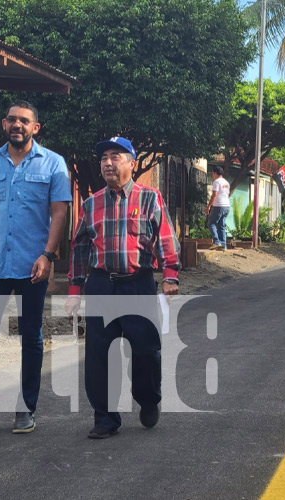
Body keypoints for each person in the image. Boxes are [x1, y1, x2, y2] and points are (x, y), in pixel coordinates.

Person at [0, 101, 72, 435]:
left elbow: (59, 212)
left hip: (32, 266)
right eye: (12, 120)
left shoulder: (53, 164)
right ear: (4, 124)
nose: (17, 124)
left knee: (31, 338)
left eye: (25, 120)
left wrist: (48, 255)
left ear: (36, 127)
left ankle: (26, 410)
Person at [65, 137, 181, 439]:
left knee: (145, 350)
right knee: (97, 354)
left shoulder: (150, 198)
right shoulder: (91, 204)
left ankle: (148, 399)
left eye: (115, 156)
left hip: (137, 284)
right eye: (104, 157)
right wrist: (75, 291)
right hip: (102, 285)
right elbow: (79, 247)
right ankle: (105, 418)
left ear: (132, 163)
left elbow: (166, 237)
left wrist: (170, 274)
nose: (107, 163)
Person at [205, 165, 230, 250]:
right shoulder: (226, 182)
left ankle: (216, 241)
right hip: (226, 206)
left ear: (215, 173)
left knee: (211, 223)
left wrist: (209, 206)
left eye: (213, 173)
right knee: (221, 226)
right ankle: (223, 245)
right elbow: (227, 194)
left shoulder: (216, 182)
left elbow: (214, 194)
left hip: (218, 206)